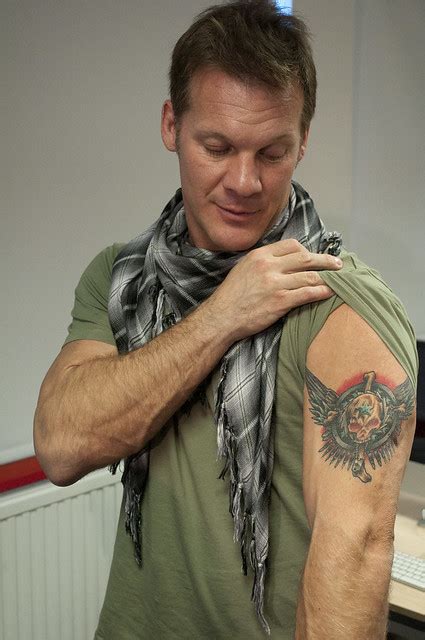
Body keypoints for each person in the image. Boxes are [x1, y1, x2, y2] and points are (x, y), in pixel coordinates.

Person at [33, 1, 418, 638]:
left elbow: (354, 559)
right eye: (217, 147)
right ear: (170, 125)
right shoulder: (123, 279)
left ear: (303, 141)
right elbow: (60, 446)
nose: (244, 181)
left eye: (272, 152)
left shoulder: (341, 309)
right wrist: (223, 317)